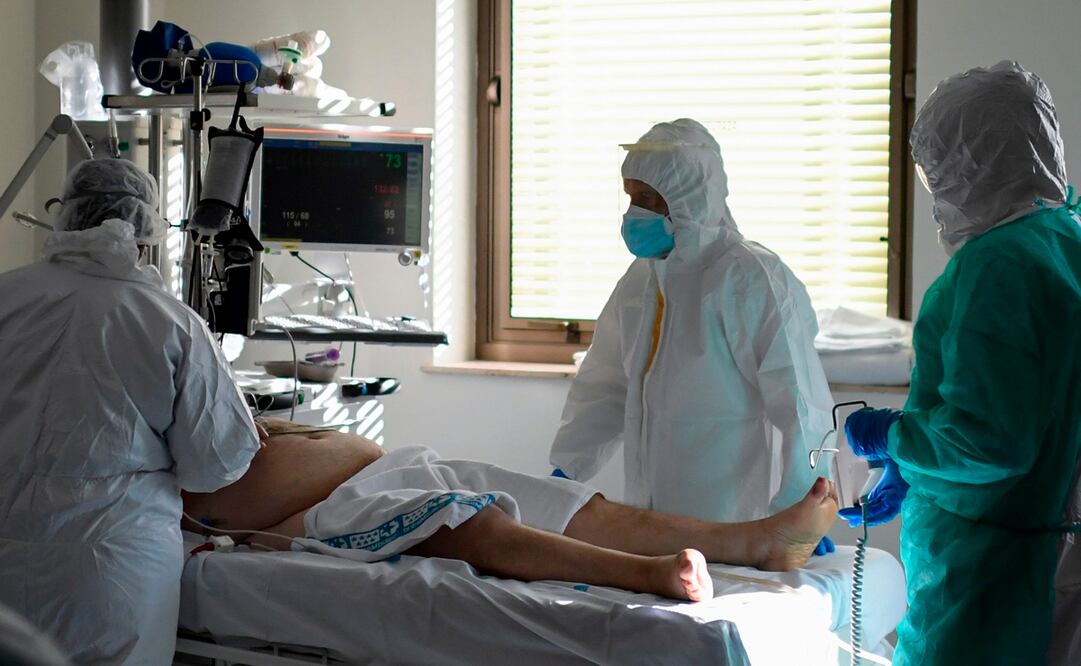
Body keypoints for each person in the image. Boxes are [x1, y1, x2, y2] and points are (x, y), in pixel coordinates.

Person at [839, 61, 1081, 665]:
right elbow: (1029, 414)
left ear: (972, 162)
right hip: (1044, 548)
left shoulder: (998, 267)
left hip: (991, 575)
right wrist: (914, 461)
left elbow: (990, 443)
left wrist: (896, 437)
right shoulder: (1065, 241)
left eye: (938, 171)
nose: (936, 189)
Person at [0, 159, 263, 664]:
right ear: (147, 235)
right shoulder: (170, 323)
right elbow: (215, 466)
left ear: (65, 218)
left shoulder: (7, 297)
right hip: (109, 568)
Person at [548, 118, 835, 553]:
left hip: (732, 521)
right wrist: (568, 468)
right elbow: (606, 383)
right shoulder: (641, 280)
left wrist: (801, 513)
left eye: (648, 199)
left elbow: (801, 406)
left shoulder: (750, 278)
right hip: (647, 522)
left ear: (688, 199)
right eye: (630, 198)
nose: (633, 213)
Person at [183, 418, 841, 602]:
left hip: (387, 462)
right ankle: (646, 575)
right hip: (312, 521)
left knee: (566, 503)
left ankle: (752, 541)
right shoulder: (112, 465)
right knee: (466, 521)